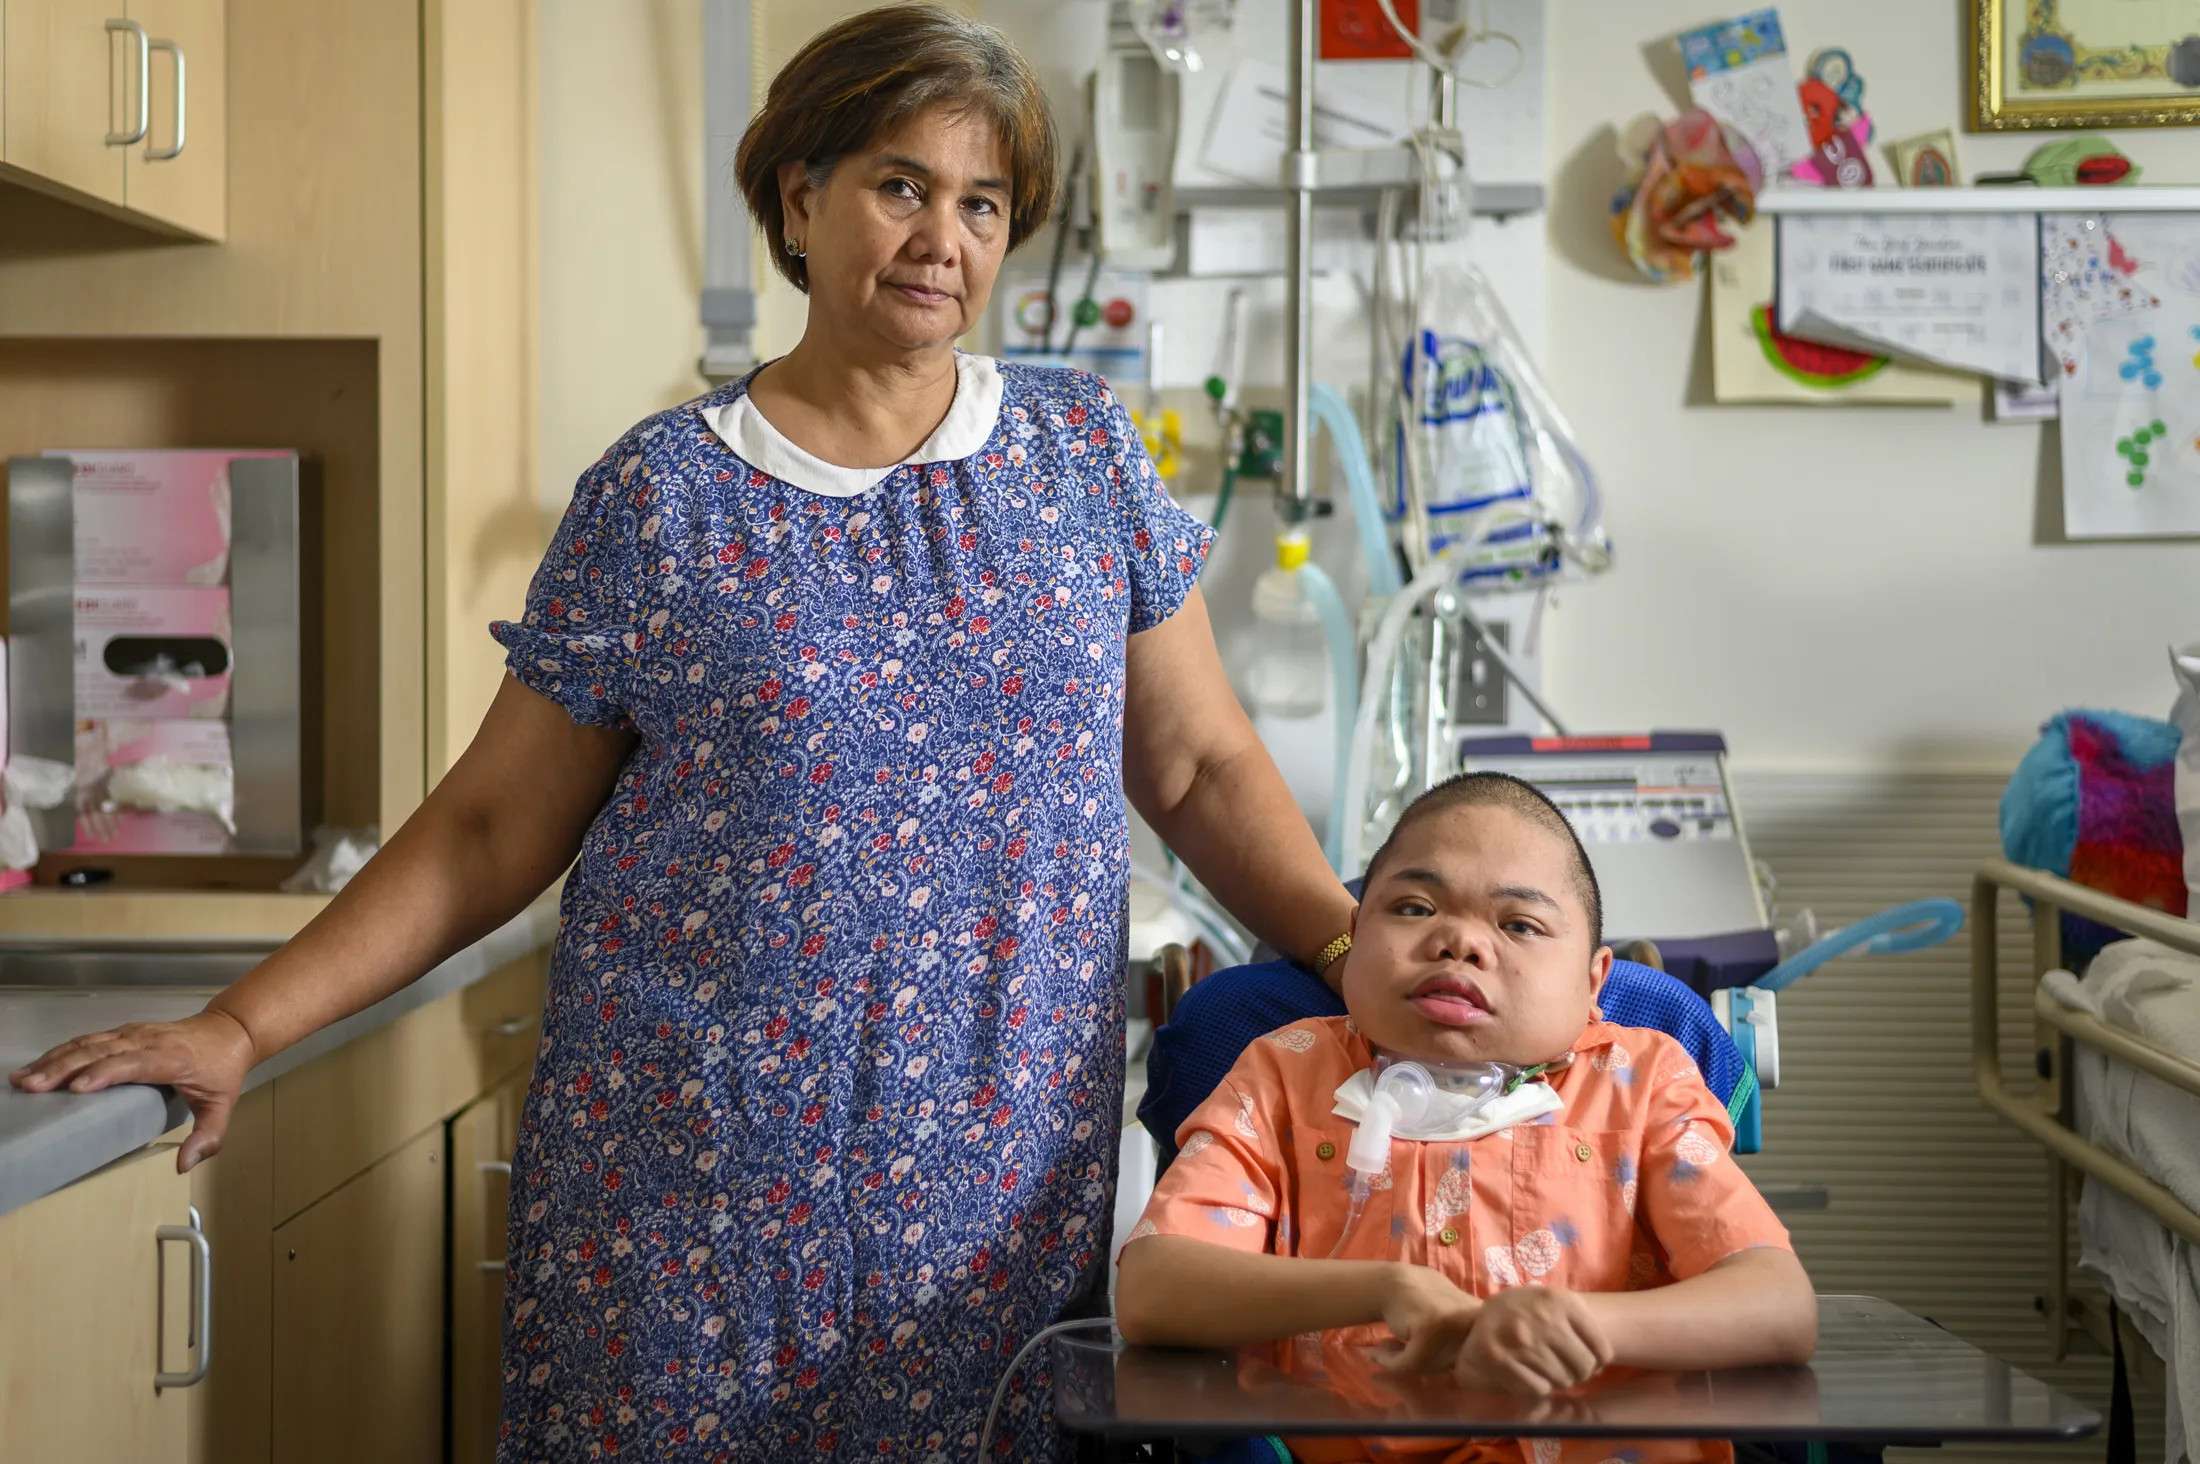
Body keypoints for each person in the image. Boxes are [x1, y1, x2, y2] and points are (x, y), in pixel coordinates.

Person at [9, 8, 1356, 1459]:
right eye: (900, 186)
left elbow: (1199, 766)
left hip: (989, 1194)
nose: (940, 239)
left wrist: (1358, 953)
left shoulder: (1081, 456)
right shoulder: (661, 500)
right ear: (799, 196)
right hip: (686, 1192)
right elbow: (486, 831)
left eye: (981, 205)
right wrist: (237, 1024)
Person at [1114, 773, 1817, 1464]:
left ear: (1593, 981)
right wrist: (1384, 1291)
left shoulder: (1639, 1084)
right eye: (1416, 909)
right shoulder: (1282, 1076)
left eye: (1519, 924)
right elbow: (1154, 1289)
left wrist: (1586, 1326)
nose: (1461, 942)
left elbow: (1779, 1306)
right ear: (1355, 937)